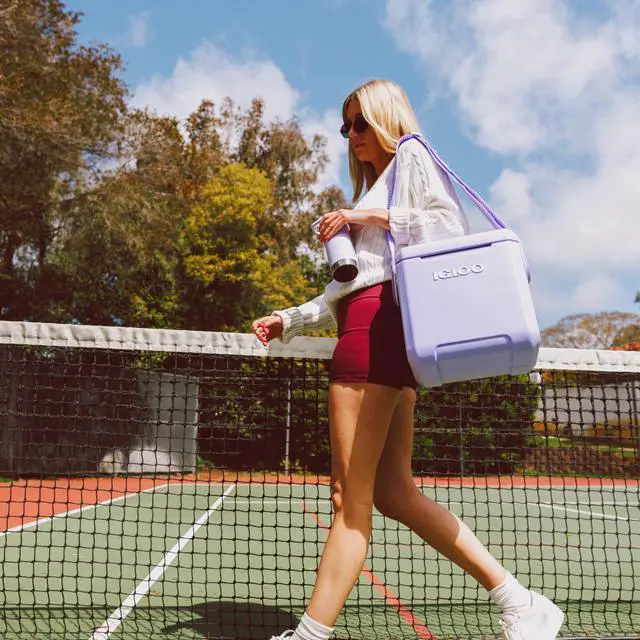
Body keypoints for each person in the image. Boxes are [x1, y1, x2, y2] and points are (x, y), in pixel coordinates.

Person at [251, 79, 564, 640]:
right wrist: (288, 319)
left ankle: (309, 636)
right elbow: (349, 286)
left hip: (375, 337)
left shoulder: (411, 155)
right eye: (345, 126)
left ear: (384, 116)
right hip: (380, 333)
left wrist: (362, 218)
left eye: (360, 122)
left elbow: (446, 224)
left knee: (349, 501)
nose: (352, 135)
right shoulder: (376, 191)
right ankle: (520, 602)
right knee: (393, 493)